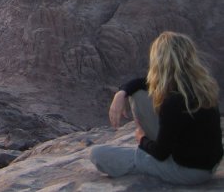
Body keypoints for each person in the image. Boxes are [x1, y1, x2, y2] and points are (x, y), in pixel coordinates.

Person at [90, 31, 223, 185]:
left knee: (98, 154)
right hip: (207, 167)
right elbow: (142, 83)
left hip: (186, 172)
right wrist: (122, 93)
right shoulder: (202, 89)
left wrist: (142, 139)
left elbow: (160, 153)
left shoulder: (174, 102)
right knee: (138, 93)